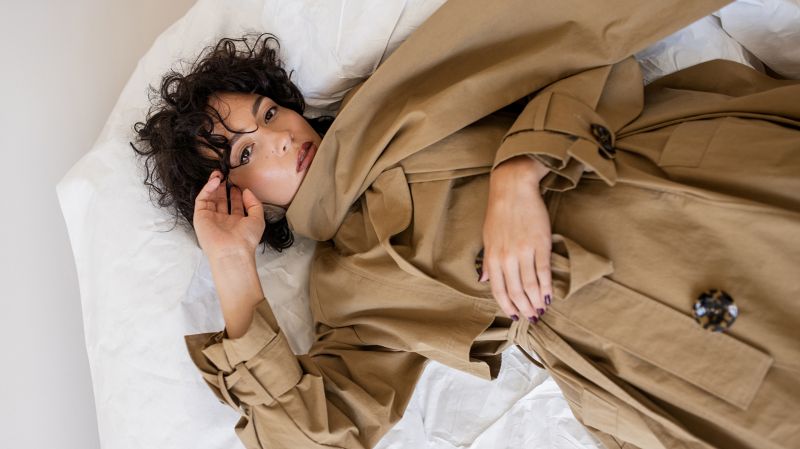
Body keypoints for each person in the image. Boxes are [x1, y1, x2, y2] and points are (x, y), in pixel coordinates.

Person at [132, 0, 800, 448]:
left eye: (269, 113)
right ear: (242, 199)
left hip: (668, 194)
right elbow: (312, 438)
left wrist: (520, 166)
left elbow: (571, 44)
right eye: (246, 154)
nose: (279, 138)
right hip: (642, 352)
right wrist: (233, 267)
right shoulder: (349, 288)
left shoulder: (395, 96)